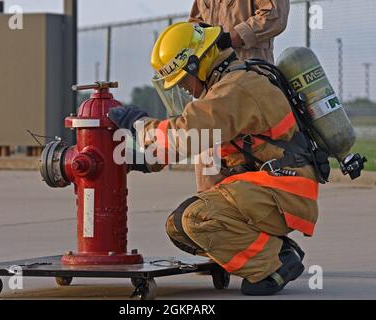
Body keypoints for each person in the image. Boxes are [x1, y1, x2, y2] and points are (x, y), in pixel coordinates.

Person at [109, 22, 319, 295]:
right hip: (271, 187)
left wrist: (139, 125)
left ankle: (273, 264)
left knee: (197, 218)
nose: (183, 88)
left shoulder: (236, 88)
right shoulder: (225, 86)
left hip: (285, 188)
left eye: (183, 79)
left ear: (198, 63)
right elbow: (201, 142)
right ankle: (276, 249)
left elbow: (185, 134)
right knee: (178, 228)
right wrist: (144, 160)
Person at [189, 0, 291, 192]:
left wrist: (232, 37)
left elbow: (274, 16)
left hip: (250, 83)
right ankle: (210, 213)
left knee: (247, 163)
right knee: (209, 164)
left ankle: (247, 214)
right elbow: (195, 21)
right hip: (211, 86)